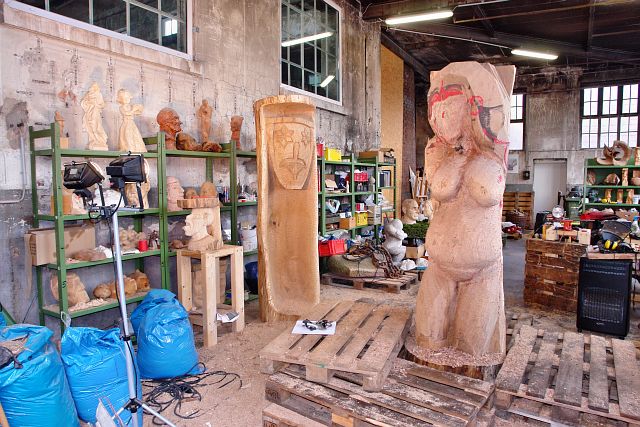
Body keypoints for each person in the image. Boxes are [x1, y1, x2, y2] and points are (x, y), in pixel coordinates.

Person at [415, 62, 513, 357]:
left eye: (449, 106)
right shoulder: (437, 152)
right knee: (429, 337)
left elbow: (488, 191)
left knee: (472, 347)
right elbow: (440, 187)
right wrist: (457, 160)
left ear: (473, 109)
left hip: (481, 268)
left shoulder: (492, 155)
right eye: (436, 108)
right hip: (439, 264)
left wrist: (471, 160)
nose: (440, 115)